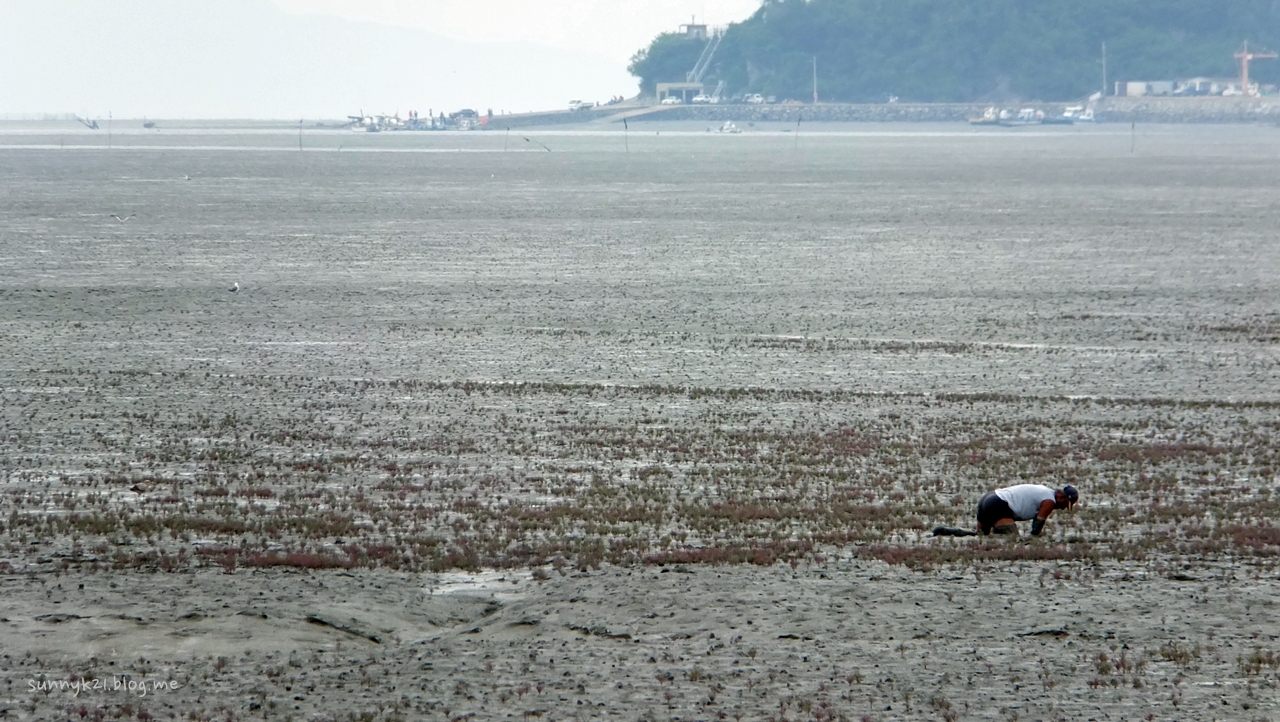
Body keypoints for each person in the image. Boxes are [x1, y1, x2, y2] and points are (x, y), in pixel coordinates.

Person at [977, 484, 1078, 536]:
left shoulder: (1043, 491)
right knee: (1012, 537)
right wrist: (1034, 537)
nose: (1063, 508)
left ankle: (961, 533)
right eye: (1065, 504)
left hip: (987, 498)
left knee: (981, 535)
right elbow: (1039, 522)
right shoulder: (1049, 500)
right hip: (998, 503)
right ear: (1060, 496)